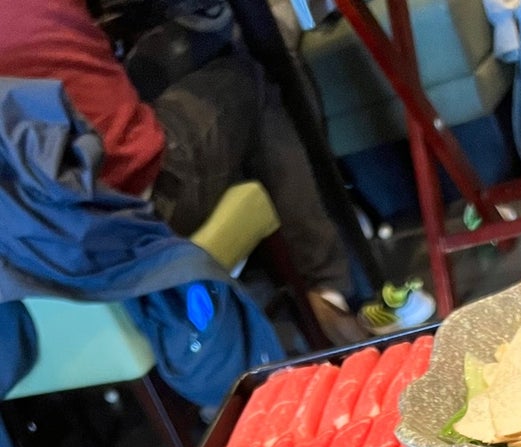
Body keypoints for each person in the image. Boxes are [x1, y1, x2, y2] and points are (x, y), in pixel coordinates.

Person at [0, 0, 367, 345]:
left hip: (25, 261)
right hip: (126, 221)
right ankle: (328, 293)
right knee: (256, 73)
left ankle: (282, 287)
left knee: (149, 68)